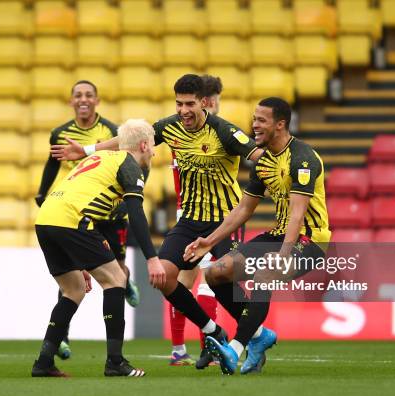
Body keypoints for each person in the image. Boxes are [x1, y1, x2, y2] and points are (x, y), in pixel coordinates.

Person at [51, 74, 277, 371]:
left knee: (223, 279)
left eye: (190, 104)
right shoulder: (171, 126)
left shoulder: (223, 131)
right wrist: (87, 151)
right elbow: (130, 141)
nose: (183, 110)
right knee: (164, 277)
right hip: (189, 220)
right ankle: (220, 332)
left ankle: (251, 335)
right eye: (179, 103)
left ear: (203, 103)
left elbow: (259, 156)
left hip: (224, 220)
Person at [183, 97, 331, 375]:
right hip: (280, 234)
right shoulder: (263, 162)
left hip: (310, 240)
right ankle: (259, 335)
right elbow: (243, 210)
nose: (254, 126)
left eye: (261, 120)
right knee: (217, 272)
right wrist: (209, 241)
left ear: (280, 124)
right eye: (254, 119)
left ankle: (236, 348)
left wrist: (282, 256)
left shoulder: (303, 158)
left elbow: (298, 216)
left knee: (265, 274)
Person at [32, 119, 165, 378]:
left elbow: (85, 199)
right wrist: (152, 257)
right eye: (151, 147)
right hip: (71, 220)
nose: (154, 152)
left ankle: (44, 362)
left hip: (46, 219)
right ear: (143, 144)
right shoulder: (129, 166)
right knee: (116, 279)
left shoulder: (102, 158)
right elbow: (136, 215)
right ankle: (115, 362)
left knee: (73, 289)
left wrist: (80, 258)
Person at [35, 80, 140, 360]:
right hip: (77, 211)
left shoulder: (110, 130)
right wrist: (41, 193)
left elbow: (121, 166)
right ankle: (67, 339)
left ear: (97, 100)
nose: (83, 99)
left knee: (114, 272)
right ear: (71, 101)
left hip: (108, 213)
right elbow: (52, 163)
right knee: (81, 280)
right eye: (78, 95)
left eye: (88, 95)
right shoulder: (60, 133)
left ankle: (49, 353)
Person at [168, 74, 223, 367]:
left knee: (182, 281)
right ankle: (209, 350)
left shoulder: (177, 131)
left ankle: (178, 349)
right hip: (207, 215)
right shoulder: (208, 134)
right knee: (208, 282)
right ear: (210, 101)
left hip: (184, 213)